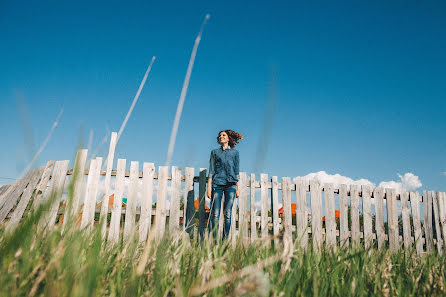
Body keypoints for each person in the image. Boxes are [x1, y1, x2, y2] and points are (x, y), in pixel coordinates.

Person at [207, 129, 243, 241]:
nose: (221, 136)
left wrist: (238, 187)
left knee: (227, 214)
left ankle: (224, 242)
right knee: (215, 214)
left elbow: (237, 171)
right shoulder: (214, 152)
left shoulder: (235, 153)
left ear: (228, 138)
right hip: (217, 185)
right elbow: (211, 170)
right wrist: (209, 187)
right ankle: (214, 241)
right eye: (219, 135)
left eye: (223, 135)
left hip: (231, 185)